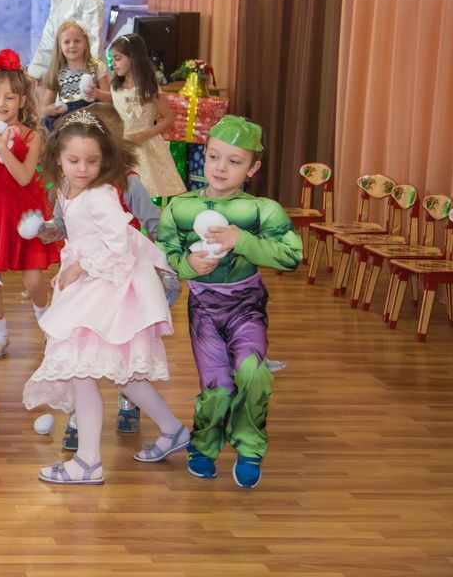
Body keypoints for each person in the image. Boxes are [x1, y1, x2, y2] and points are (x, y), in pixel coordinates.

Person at [23, 110, 187, 485]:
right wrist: (67, 270)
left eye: (92, 161)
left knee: (83, 369)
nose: (83, 168)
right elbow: (72, 235)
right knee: (119, 372)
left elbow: (119, 247)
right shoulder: (65, 189)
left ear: (105, 158)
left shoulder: (101, 195)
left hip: (111, 284)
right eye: (74, 160)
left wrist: (79, 269)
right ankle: (173, 431)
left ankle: (88, 462)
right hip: (91, 283)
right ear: (58, 158)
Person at [155, 116, 303, 489]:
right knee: (217, 385)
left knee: (252, 372)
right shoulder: (179, 207)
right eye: (214, 157)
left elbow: (291, 255)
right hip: (204, 308)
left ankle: (250, 449)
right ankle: (203, 446)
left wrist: (243, 240)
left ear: (252, 168)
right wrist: (187, 265)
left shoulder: (261, 210)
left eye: (234, 161)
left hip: (247, 305)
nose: (220, 168)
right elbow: (164, 252)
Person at [0, 49, 60, 359]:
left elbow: (23, 177)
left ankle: (48, 326)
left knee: (34, 279)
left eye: (9, 97)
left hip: (24, 215)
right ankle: (0, 334)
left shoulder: (32, 136)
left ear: (22, 100)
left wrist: (1, 149)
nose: (1, 104)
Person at [107, 34, 186, 199]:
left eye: (117, 58)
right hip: (122, 145)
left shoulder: (149, 88)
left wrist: (146, 134)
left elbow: (169, 118)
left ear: (133, 58)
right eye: (112, 59)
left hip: (145, 144)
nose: (113, 63)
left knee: (146, 189)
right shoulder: (115, 87)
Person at [36, 21, 110, 130]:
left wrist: (97, 93)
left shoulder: (97, 67)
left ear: (85, 43)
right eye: (66, 42)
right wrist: (52, 110)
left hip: (92, 120)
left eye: (77, 41)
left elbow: (110, 100)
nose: (72, 45)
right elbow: (44, 108)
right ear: (60, 46)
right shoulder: (57, 72)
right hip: (66, 123)